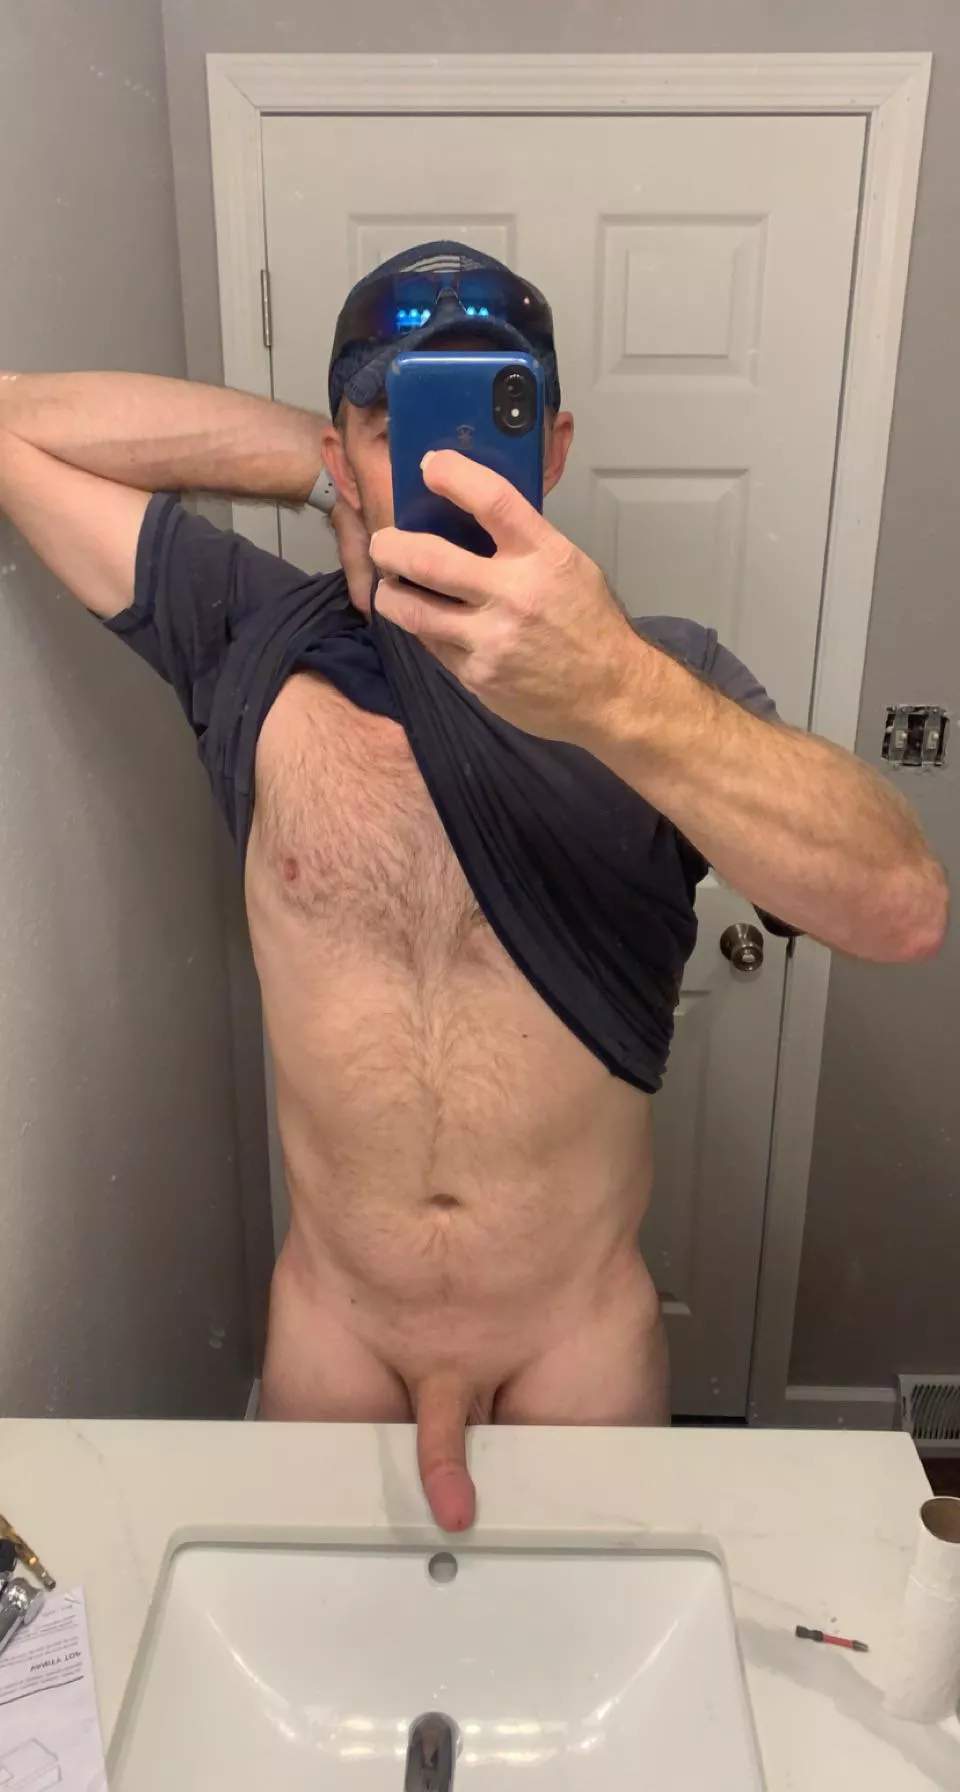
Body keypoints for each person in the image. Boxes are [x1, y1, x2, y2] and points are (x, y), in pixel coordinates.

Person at [0, 243, 947, 1532]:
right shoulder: (255, 637)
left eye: (483, 418)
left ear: (551, 448)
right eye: (392, 422)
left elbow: (901, 904)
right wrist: (322, 469)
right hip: (336, 1331)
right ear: (342, 453)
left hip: (575, 1343)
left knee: (588, 1652)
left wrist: (614, 690)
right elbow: (16, 426)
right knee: (317, 1646)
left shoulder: (664, 681)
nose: (439, 462)